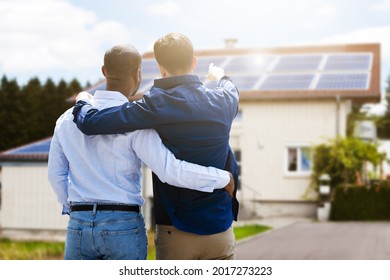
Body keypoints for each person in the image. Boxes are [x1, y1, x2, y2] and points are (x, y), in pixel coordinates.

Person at [48, 43, 234, 260]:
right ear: (138, 74)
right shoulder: (137, 121)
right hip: (123, 225)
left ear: (104, 71)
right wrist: (222, 178)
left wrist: (78, 210)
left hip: (79, 224)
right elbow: (170, 170)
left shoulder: (65, 119)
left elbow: (55, 175)